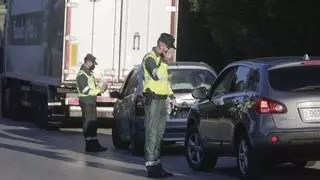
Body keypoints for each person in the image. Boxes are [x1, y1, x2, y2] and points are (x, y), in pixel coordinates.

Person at [141, 33, 177, 178]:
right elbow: (155, 75)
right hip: (153, 100)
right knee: (152, 133)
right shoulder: (150, 58)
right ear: (162, 45)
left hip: (162, 100)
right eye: (168, 48)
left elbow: (165, 83)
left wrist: (171, 96)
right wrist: (165, 59)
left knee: (160, 133)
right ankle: (151, 167)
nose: (169, 51)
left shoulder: (161, 61)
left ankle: (156, 163)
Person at [76, 53, 108, 152]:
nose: (94, 65)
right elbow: (86, 90)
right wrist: (99, 90)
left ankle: (95, 144)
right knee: (88, 123)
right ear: (88, 62)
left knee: (93, 123)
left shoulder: (89, 73)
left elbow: (93, 87)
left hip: (91, 101)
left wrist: (101, 88)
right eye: (93, 63)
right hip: (86, 101)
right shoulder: (82, 75)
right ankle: (89, 144)